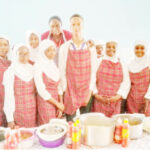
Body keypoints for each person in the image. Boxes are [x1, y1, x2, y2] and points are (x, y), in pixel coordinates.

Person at [59, 14, 97, 121]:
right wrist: (65, 89)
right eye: (73, 24)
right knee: (71, 123)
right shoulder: (65, 47)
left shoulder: (90, 47)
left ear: (83, 26)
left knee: (86, 123)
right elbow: (62, 71)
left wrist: (90, 91)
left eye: (78, 24)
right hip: (70, 91)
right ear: (70, 27)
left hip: (86, 90)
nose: (76, 27)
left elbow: (93, 71)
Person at [93, 41, 130, 117]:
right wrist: (96, 95)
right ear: (105, 48)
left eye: (113, 47)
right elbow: (92, 78)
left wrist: (118, 96)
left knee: (114, 124)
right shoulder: (99, 61)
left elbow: (126, 82)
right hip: (99, 100)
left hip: (115, 101)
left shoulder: (122, 63)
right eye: (109, 47)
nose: (111, 49)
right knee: (99, 123)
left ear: (117, 49)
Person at [3, 44, 37, 128]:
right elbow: (8, 96)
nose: (23, 56)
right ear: (15, 54)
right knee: (20, 136)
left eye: (26, 53)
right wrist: (10, 119)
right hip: (18, 111)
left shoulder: (32, 69)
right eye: (20, 53)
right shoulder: (10, 71)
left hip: (32, 109)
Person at [34, 39, 64, 125]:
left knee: (57, 126)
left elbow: (59, 86)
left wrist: (60, 104)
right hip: (46, 101)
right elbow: (41, 90)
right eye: (48, 50)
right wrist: (57, 104)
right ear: (43, 51)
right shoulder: (38, 65)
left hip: (57, 101)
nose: (52, 53)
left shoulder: (53, 65)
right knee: (48, 126)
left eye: (54, 50)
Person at [127, 41, 150, 116]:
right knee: (134, 122)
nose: (139, 50)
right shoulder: (130, 63)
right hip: (132, 99)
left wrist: (148, 97)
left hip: (147, 98)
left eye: (142, 48)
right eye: (137, 48)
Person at [0, 37, 11, 126]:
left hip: (8, 100)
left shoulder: (11, 62)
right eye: (0, 45)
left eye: (5, 45)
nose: (3, 47)